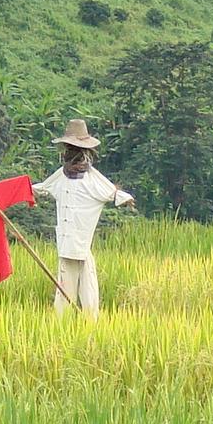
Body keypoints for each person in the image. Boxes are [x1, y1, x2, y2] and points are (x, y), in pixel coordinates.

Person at [32, 118, 135, 316]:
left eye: (74, 149)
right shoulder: (60, 176)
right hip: (65, 241)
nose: (71, 154)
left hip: (82, 242)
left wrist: (125, 199)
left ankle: (90, 322)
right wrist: (24, 190)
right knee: (64, 287)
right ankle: (62, 322)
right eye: (69, 149)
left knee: (88, 288)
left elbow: (112, 192)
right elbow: (44, 188)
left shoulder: (92, 178)